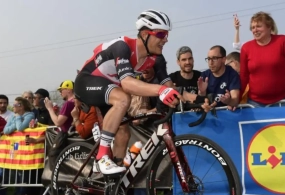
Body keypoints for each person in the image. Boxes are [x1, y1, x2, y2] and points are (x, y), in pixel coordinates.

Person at [74, 9, 214, 175]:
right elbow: (126, 83)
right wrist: (160, 90)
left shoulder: (156, 58)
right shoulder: (123, 47)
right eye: (161, 35)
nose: (166, 40)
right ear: (146, 34)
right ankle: (101, 157)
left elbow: (170, 87)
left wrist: (199, 99)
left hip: (110, 89)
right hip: (87, 81)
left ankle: (113, 191)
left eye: (167, 35)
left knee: (124, 132)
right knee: (123, 97)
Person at [240, 11, 285, 106]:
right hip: (254, 104)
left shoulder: (283, 41)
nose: (255, 30)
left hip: (281, 102)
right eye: (252, 27)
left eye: (258, 26)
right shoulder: (246, 48)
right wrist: (236, 99)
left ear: (269, 26)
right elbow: (243, 76)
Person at [3, 97, 35, 195]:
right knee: (17, 171)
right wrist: (15, 123)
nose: (13, 106)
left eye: (16, 104)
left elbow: (21, 128)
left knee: (24, 172)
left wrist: (17, 119)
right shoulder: (13, 116)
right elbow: (6, 130)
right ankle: (17, 193)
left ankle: (24, 194)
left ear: (21, 106)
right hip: (15, 147)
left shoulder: (29, 115)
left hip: (26, 147)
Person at [198, 45, 240, 110]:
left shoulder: (232, 74)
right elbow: (199, 102)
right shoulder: (204, 75)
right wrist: (202, 93)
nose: (210, 63)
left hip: (226, 115)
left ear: (223, 59)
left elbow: (235, 101)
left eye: (214, 58)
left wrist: (228, 101)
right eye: (209, 59)